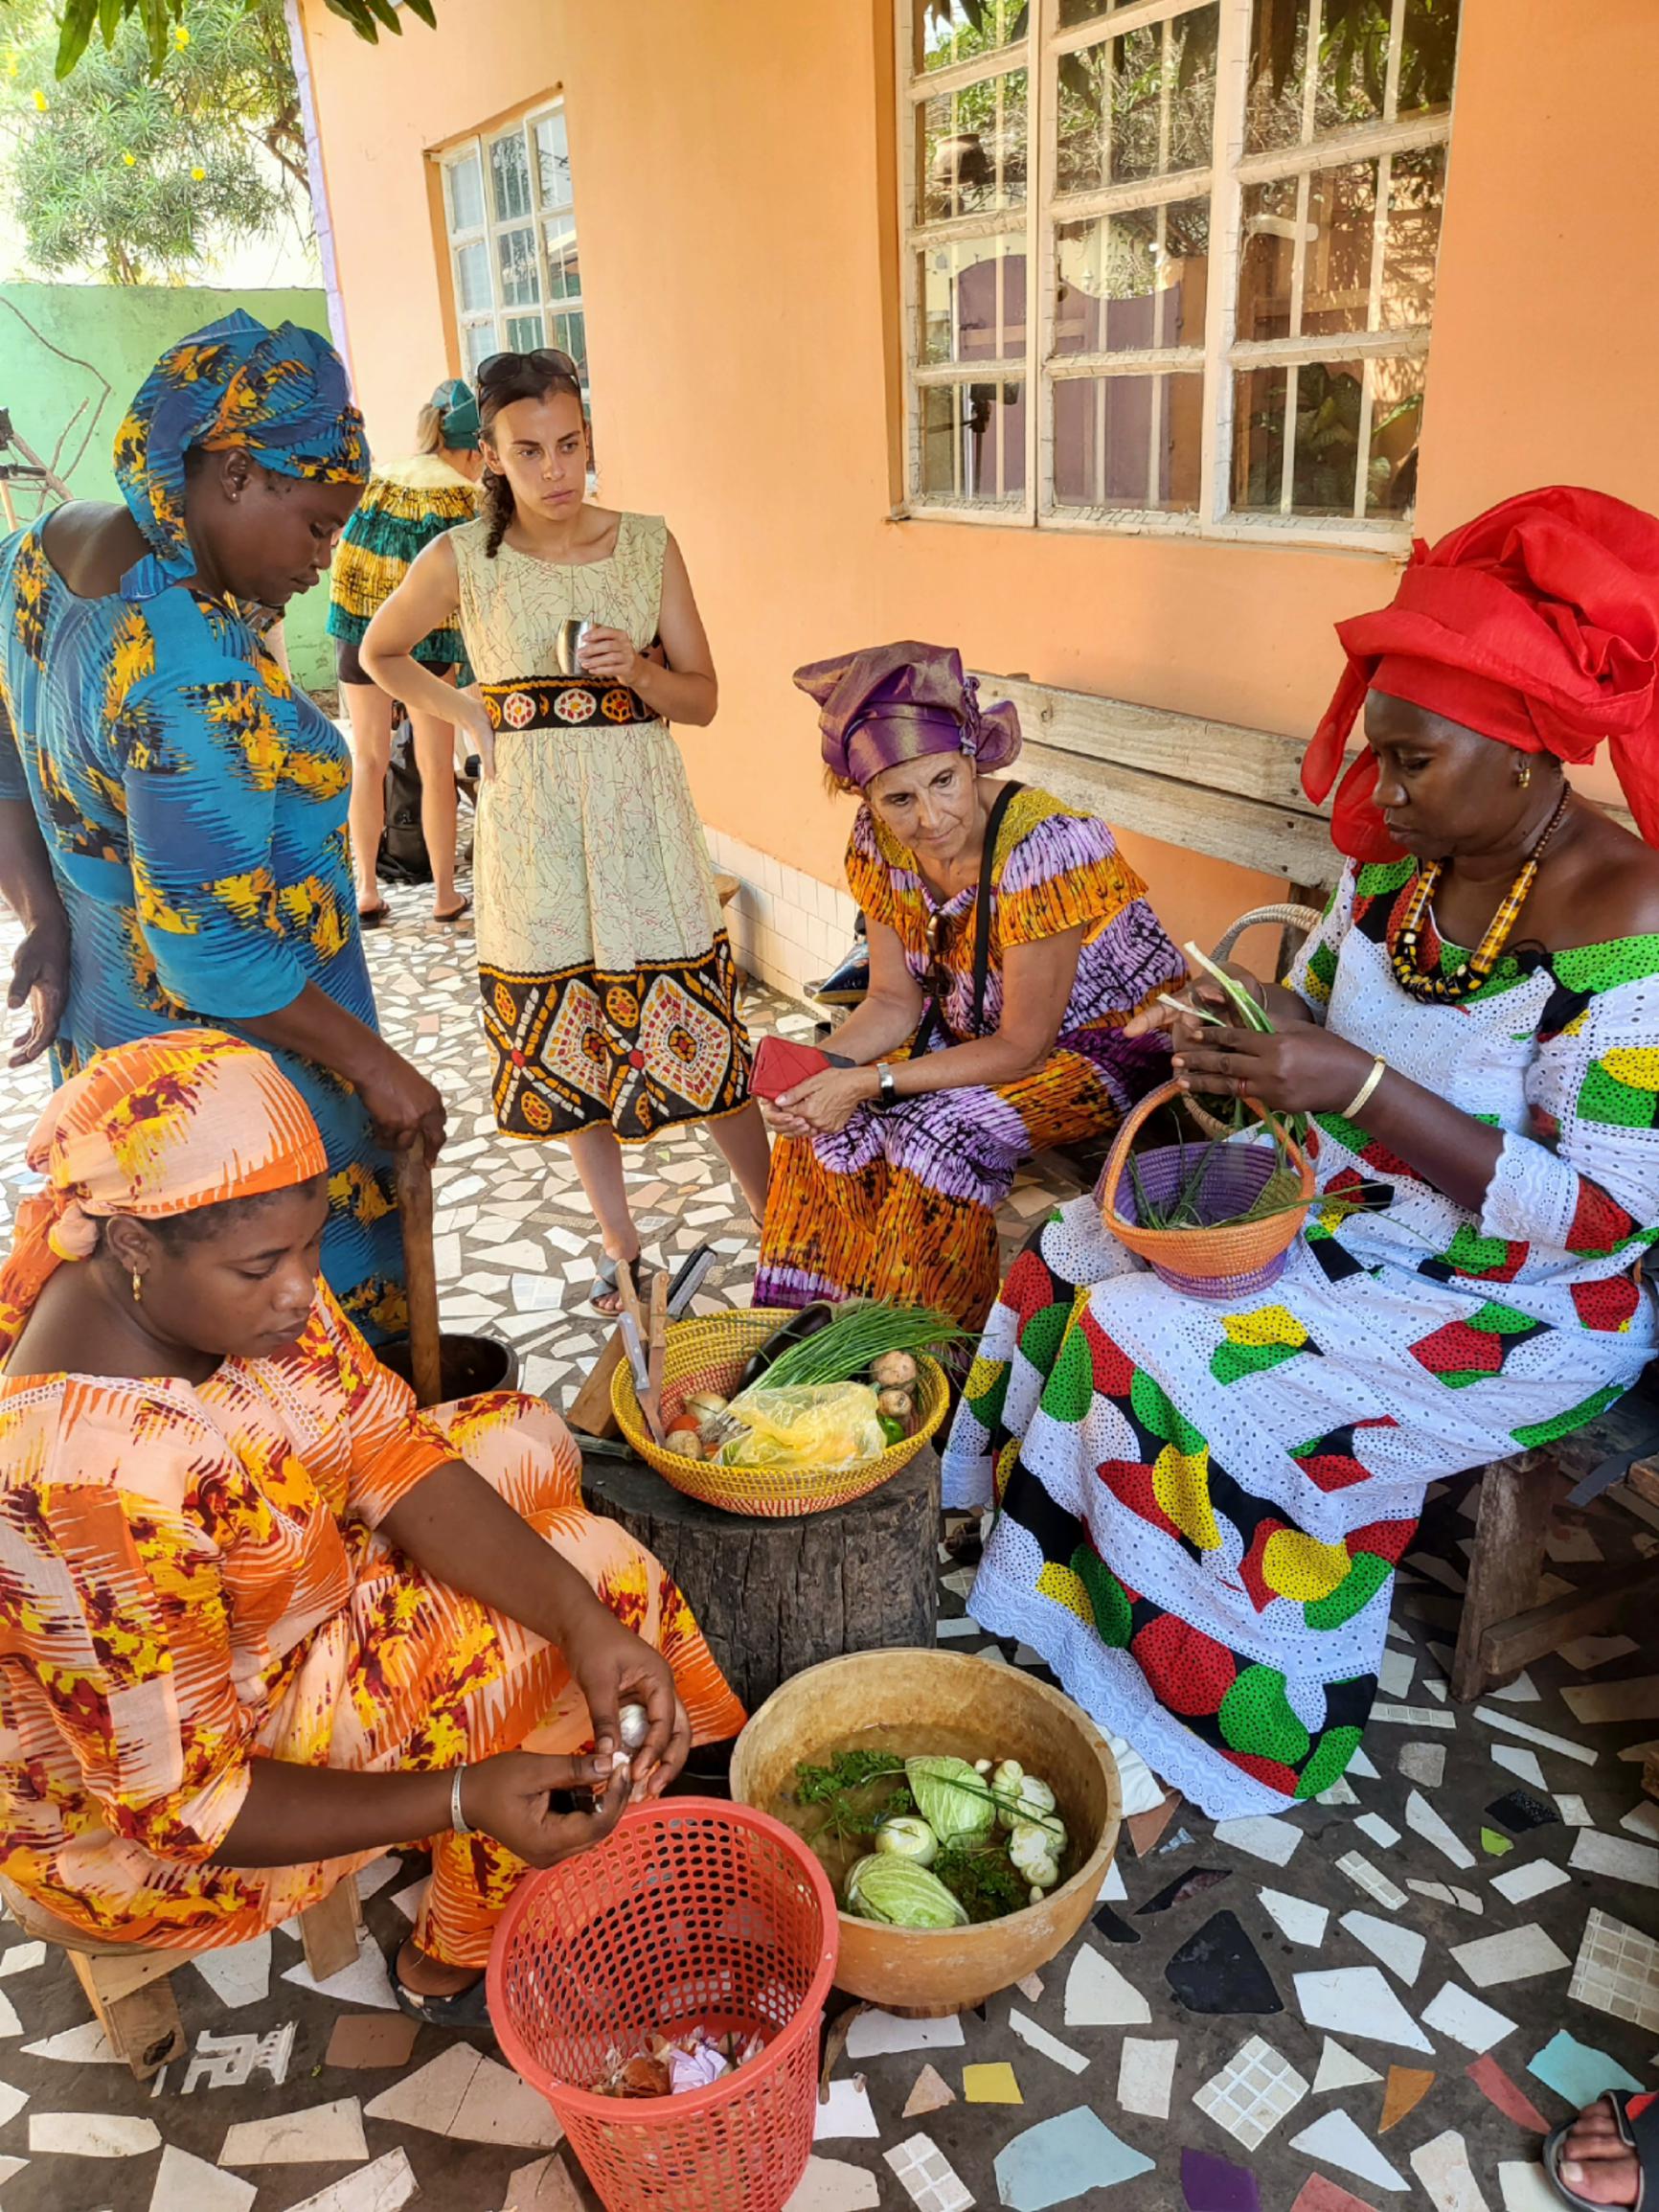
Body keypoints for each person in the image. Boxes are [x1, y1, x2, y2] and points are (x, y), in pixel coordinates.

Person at [943, 486, 1659, 1820]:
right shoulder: (1402, 869)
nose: (1377, 791)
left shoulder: (1629, 916)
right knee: (1064, 1254)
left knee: (1179, 1354)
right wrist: (1244, 1031)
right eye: (1379, 753)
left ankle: (1200, 1707)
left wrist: (1362, 1088)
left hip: (1521, 1293)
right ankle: (1050, 1578)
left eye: (1411, 760)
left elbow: (1609, 1216)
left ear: (1523, 756)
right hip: (1352, 1205)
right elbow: (1315, 1017)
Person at [0, 1031, 744, 2026]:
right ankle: (461, 1948)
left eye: (310, 1244)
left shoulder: (213, 1297)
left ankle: (534, 1735)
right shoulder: (87, 1484)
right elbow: (187, 1809)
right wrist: (462, 1791)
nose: (304, 1288)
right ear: (134, 1242)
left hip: (283, 1617)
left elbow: (389, 1450)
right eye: (265, 1263)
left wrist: (578, 1621)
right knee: (598, 1571)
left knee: (527, 1441)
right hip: (154, 1833)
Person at [0, 310, 443, 1340]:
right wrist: (377, 1066)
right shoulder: (192, 669)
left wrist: (47, 914)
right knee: (286, 1328)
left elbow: (7, 753)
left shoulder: (33, 559)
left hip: (114, 1035)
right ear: (235, 474)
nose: (325, 560)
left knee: (175, 1307)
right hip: (238, 1085)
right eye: (319, 526)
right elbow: (216, 956)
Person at [362, 347, 769, 1314]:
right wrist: (465, 711)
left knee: (702, 1034)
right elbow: (380, 649)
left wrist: (636, 667)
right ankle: (624, 1251)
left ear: (591, 439)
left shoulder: (647, 544)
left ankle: (779, 1219)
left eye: (571, 443)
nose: (555, 468)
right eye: (530, 449)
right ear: (491, 457)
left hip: (644, 825)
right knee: (576, 1036)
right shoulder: (464, 557)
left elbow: (703, 699)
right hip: (533, 831)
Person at [753, 643, 1183, 1332]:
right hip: (975, 1033)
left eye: (945, 782)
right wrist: (822, 1075)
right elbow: (893, 1000)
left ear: (972, 757)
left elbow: (1023, 1047)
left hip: (1107, 1047)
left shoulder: (1042, 848)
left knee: (935, 1135)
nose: (931, 817)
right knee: (820, 1127)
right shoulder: (880, 841)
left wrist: (869, 1082)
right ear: (864, 796)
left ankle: (928, 1361)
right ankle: (817, 1337)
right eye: (900, 797)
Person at [327, 376, 484, 926]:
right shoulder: (465, 497)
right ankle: (445, 894)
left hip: (356, 625)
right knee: (435, 764)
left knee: (368, 761)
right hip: (426, 639)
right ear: (473, 447)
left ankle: (366, 889)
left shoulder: (380, 479)